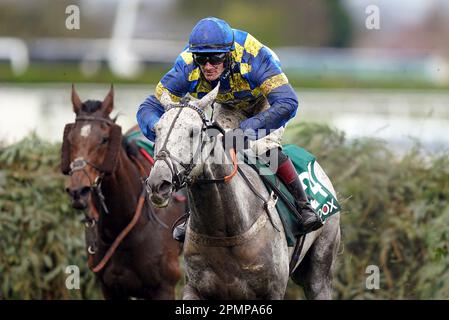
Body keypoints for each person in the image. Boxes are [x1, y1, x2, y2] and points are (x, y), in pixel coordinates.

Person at [137, 17, 322, 242]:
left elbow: (288, 103)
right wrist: (160, 132)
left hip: (266, 103)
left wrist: (246, 131)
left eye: (215, 58)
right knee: (209, 153)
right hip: (228, 105)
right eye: (202, 59)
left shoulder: (253, 57)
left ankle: (303, 206)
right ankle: (194, 215)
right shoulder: (185, 65)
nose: (207, 66)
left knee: (263, 148)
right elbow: (149, 106)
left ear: (228, 54)